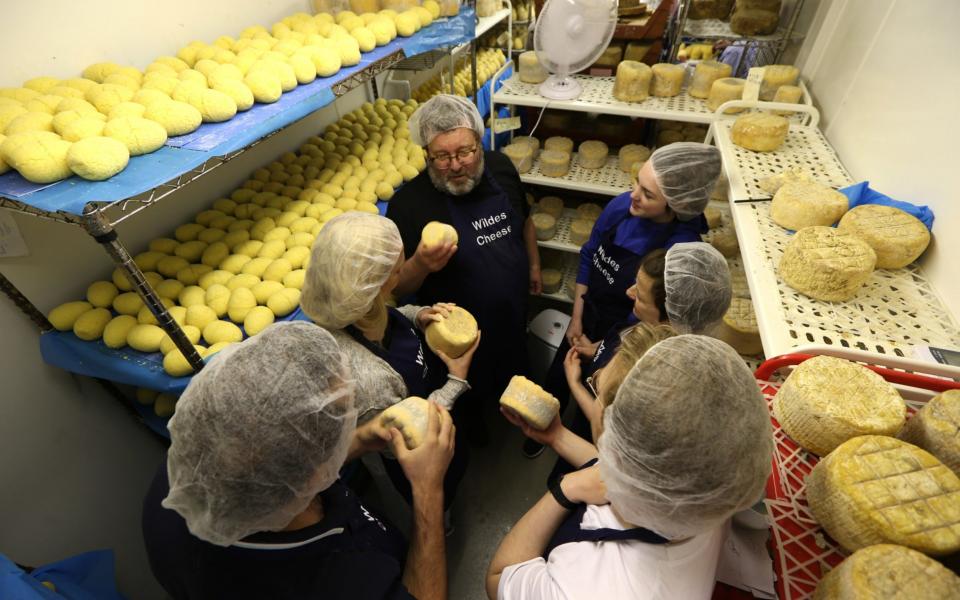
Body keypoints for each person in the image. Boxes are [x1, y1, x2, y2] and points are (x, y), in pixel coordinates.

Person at [142, 322, 455, 600]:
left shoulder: (188, 478)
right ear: (311, 475)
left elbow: (274, 462)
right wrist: (428, 493)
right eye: (343, 421)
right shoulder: (339, 581)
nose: (348, 422)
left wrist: (358, 438)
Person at [488, 335, 772, 600]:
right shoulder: (711, 483)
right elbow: (639, 466)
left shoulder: (581, 588)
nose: (595, 380)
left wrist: (566, 488)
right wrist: (558, 436)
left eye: (595, 391)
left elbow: (500, 576)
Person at [530, 142, 722, 457]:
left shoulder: (679, 250)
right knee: (556, 378)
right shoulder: (623, 206)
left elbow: (659, 322)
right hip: (589, 314)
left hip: (625, 339)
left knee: (596, 406)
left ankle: (575, 453)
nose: (634, 195)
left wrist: (605, 349)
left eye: (648, 194)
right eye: (637, 183)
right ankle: (540, 429)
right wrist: (576, 316)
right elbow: (591, 252)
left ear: (675, 206)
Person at [386, 95, 540, 444]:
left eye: (466, 152)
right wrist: (421, 264)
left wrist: (533, 264)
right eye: (442, 156)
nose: (456, 165)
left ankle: (526, 424)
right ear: (426, 153)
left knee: (518, 372)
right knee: (466, 394)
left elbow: (525, 221)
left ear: (479, 143)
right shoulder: (407, 205)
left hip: (512, 314)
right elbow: (397, 288)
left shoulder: (501, 168)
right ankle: (476, 436)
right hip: (456, 337)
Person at [300, 212, 479, 510]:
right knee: (437, 495)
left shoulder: (358, 305)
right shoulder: (369, 379)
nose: (402, 274)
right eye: (397, 271)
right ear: (372, 286)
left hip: (428, 402)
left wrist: (419, 315)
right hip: (414, 459)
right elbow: (409, 437)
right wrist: (456, 381)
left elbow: (392, 314)